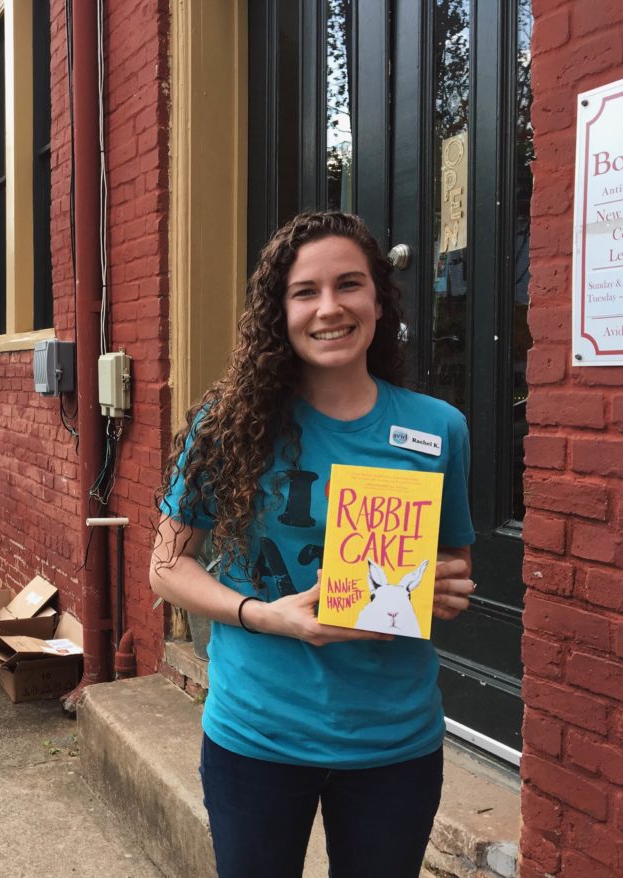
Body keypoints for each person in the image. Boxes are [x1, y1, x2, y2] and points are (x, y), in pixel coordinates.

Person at [149, 211, 476, 878]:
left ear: (379, 301)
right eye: (306, 291)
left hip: (395, 741)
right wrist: (267, 616)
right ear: (281, 310)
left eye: (349, 284)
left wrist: (443, 587)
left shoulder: (439, 429)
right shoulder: (229, 424)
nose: (330, 308)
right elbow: (166, 567)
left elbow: (453, 560)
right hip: (258, 733)